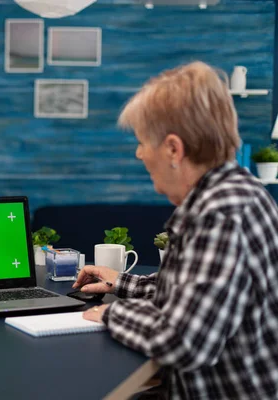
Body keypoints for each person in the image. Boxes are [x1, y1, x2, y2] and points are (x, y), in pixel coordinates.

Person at [74, 61, 278, 398]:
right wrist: (120, 282)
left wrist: (111, 313)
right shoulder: (241, 191)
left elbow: (185, 341)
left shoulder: (219, 215)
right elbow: (198, 291)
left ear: (173, 149)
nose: (139, 153)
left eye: (142, 142)